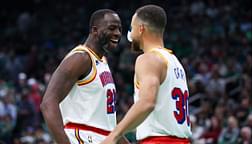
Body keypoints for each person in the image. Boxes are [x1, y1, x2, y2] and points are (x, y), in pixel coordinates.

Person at [101, 5, 192, 144]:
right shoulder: (175, 62)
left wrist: (114, 135)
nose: (130, 33)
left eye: (132, 27)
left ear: (141, 28)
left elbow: (147, 102)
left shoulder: (148, 59)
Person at [40, 9, 126, 144]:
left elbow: (107, 125)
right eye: (112, 28)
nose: (117, 33)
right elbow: (48, 103)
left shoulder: (103, 61)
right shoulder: (80, 58)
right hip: (83, 137)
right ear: (94, 30)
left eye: (120, 29)